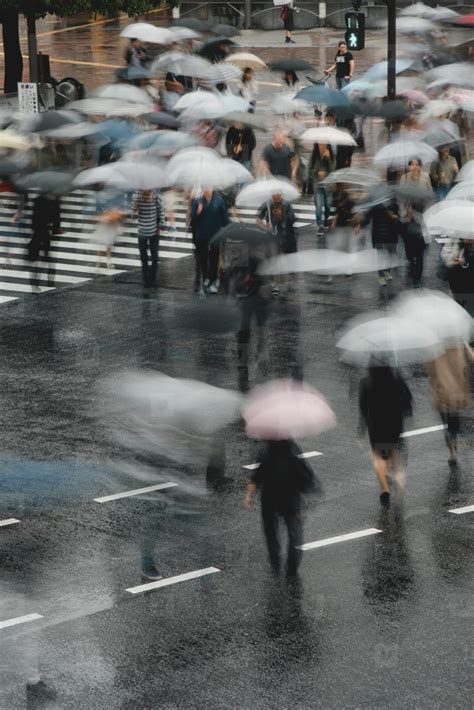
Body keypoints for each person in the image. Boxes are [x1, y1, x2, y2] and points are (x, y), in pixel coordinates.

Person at [244, 439, 316, 576]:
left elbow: (256, 476)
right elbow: (305, 473)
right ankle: (292, 567)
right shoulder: (293, 448)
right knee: (294, 533)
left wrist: (248, 496)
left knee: (271, 532)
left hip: (269, 500)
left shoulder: (266, 451)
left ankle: (275, 563)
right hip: (291, 499)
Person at [358, 362, 413, 509]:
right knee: (396, 457)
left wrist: (360, 431)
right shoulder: (396, 378)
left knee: (378, 457)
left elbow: (363, 409)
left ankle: (384, 490)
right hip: (394, 423)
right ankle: (399, 492)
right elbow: (408, 397)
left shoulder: (366, 383)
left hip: (376, 426)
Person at [426, 345, 474, 466]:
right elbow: (471, 358)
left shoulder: (434, 346)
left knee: (445, 421)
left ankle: (451, 449)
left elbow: (429, 369)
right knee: (453, 421)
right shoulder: (458, 345)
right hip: (456, 391)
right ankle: (454, 449)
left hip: (440, 390)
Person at [190, 187, 229, 295]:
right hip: (201, 235)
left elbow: (225, 219)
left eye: (209, 186)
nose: (207, 188)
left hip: (215, 235)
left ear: (212, 188)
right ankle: (205, 278)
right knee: (203, 258)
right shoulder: (198, 201)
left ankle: (213, 281)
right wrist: (198, 211)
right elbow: (192, 217)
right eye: (205, 186)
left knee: (214, 258)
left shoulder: (219, 201)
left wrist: (226, 230)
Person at [360, 198, 400, 287]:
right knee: (380, 256)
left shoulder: (394, 204)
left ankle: (387, 271)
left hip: (391, 234)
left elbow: (399, 218)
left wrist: (394, 217)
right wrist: (360, 220)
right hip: (378, 234)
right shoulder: (374, 206)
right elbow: (366, 219)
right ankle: (381, 276)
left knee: (391, 254)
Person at [132, 189, 165, 288]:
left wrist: (160, 226)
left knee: (155, 257)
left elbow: (161, 211)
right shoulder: (137, 196)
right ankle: (146, 278)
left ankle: (153, 277)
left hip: (154, 232)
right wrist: (135, 207)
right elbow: (133, 216)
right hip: (142, 231)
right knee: (144, 257)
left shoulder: (156, 196)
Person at [442, 237, 474, 316]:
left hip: (470, 285)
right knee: (460, 305)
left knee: (470, 307)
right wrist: (458, 261)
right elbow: (448, 262)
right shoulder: (455, 244)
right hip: (458, 283)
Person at [309, 143, 336, 236]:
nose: (321, 147)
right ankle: (320, 226)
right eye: (320, 145)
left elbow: (333, 170)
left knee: (328, 205)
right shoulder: (314, 155)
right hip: (317, 184)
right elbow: (310, 169)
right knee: (319, 206)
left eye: (323, 145)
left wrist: (328, 159)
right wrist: (317, 172)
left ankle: (326, 219)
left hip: (328, 185)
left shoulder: (331, 154)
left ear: (327, 145)